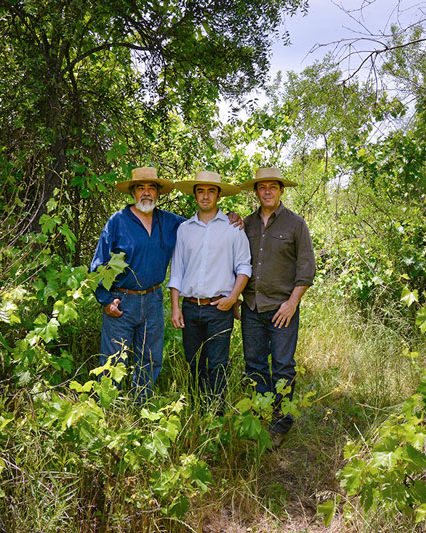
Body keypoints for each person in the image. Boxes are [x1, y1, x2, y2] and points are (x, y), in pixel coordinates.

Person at [90, 166, 243, 402]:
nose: (147, 193)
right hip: (121, 300)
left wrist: (231, 215)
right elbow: (98, 265)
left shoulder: (170, 222)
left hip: (152, 299)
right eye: (141, 188)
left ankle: (141, 408)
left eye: (152, 188)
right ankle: (109, 413)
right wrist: (106, 300)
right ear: (133, 192)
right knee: (114, 360)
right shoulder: (118, 222)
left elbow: (204, 225)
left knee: (150, 359)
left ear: (159, 193)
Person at [238, 167, 315, 444]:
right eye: (262, 187)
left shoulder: (296, 225)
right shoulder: (245, 225)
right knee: (254, 364)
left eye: (273, 186)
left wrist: (292, 304)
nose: (267, 191)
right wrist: (237, 298)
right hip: (252, 307)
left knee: (282, 366)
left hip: (282, 308)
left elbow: (306, 270)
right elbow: (236, 264)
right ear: (256, 192)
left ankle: (280, 425)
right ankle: (261, 415)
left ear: (281, 190)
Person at [167, 171, 251, 408]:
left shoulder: (233, 227)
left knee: (217, 363)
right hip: (190, 307)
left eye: (211, 191)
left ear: (219, 195)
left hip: (219, 307)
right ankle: (196, 410)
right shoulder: (184, 229)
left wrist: (233, 297)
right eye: (201, 191)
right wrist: (175, 307)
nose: (205, 196)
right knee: (193, 362)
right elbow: (177, 271)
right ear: (195, 195)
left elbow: (244, 265)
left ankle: (217, 413)